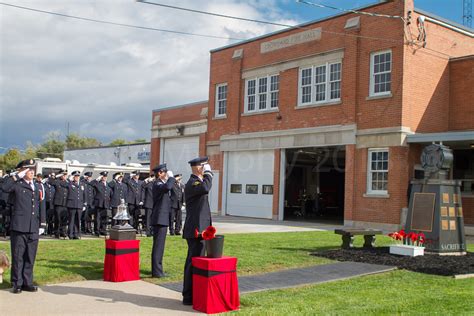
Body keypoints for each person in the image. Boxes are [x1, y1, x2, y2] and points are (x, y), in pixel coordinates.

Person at [2, 159, 46, 294]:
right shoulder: (16, 184)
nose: (32, 172)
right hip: (19, 226)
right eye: (28, 170)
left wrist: (42, 223)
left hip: (33, 226)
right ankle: (17, 283)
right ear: (22, 171)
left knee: (30, 256)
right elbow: (4, 188)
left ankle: (27, 282)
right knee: (18, 255)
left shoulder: (37, 186)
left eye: (33, 170)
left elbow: (41, 206)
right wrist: (16, 176)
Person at [182, 156, 213, 305]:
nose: (206, 168)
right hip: (196, 229)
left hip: (200, 227)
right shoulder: (193, 183)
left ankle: (192, 294)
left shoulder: (197, 182)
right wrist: (209, 174)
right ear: (199, 168)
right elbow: (206, 187)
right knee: (193, 262)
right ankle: (188, 296)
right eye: (204, 166)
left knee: (195, 261)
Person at [150, 163, 175, 278]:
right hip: (159, 219)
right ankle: (157, 271)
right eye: (164, 172)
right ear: (160, 173)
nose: (166, 174)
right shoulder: (157, 183)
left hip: (162, 218)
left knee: (160, 246)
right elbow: (168, 187)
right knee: (158, 246)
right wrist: (171, 177)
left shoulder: (161, 183)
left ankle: (158, 269)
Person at [66, 171, 86, 239]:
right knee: (71, 220)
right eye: (75, 176)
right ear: (73, 177)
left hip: (79, 205)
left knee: (77, 220)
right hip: (72, 205)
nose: (77, 178)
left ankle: (76, 234)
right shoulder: (70, 183)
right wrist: (69, 179)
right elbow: (66, 184)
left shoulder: (82, 184)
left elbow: (84, 195)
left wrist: (84, 205)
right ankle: (70, 234)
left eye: (78, 176)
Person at [91, 171, 112, 236]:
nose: (104, 178)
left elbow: (110, 194)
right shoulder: (97, 183)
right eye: (103, 177)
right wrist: (97, 179)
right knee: (97, 218)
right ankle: (97, 231)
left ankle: (103, 230)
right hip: (99, 203)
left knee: (105, 218)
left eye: (105, 177)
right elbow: (91, 184)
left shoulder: (108, 184)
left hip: (106, 204)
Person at [51, 170, 69, 238]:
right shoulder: (57, 181)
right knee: (57, 219)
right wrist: (55, 176)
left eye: (65, 175)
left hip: (65, 203)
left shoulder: (68, 182)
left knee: (64, 219)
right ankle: (57, 232)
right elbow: (50, 181)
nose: (64, 176)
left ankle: (63, 232)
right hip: (58, 203)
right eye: (63, 175)